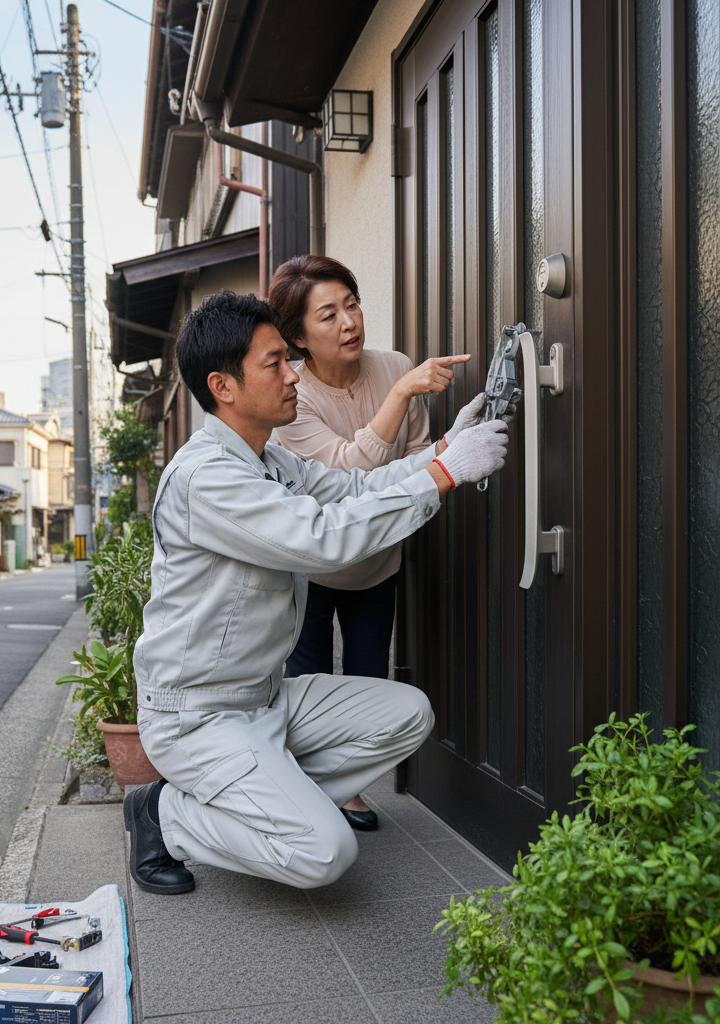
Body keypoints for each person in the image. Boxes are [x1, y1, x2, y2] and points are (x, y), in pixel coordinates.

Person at [125, 289, 508, 895]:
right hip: (199, 716)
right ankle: (165, 816)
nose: (291, 375)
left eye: (287, 359)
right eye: (274, 363)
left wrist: (438, 451)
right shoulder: (208, 478)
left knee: (408, 713)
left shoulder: (269, 458)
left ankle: (269, 793)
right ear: (223, 386)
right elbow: (321, 539)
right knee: (325, 852)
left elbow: (349, 491)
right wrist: (444, 475)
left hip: (266, 697)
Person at [270, 255, 476, 830]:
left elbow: (417, 458)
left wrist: (439, 444)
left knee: (367, 680)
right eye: (328, 314)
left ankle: (349, 788)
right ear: (298, 339)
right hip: (311, 564)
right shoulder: (294, 396)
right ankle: (300, 794)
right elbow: (342, 477)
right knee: (304, 684)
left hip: (377, 559)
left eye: (352, 304)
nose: (349, 322)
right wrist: (402, 395)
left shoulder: (392, 367)